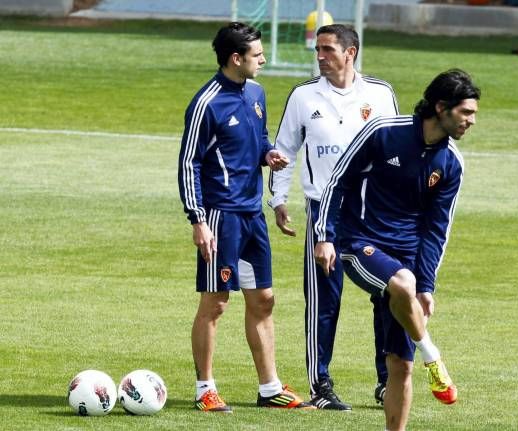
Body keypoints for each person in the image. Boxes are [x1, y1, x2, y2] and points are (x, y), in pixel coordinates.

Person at [314, 69, 481, 430]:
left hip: (405, 259)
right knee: (402, 282)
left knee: (399, 367)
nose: (471, 121)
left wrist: (428, 287)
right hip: (359, 244)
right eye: (466, 112)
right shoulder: (383, 133)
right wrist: (324, 235)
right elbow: (338, 181)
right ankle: (433, 357)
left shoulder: (451, 163)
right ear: (441, 107)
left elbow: (437, 230)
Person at [177, 22, 313, 413]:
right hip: (221, 216)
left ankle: (270, 388)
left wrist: (267, 154)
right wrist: (198, 221)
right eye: (257, 54)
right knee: (216, 302)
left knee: (264, 300)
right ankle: (205, 389)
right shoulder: (206, 103)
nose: (264, 59)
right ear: (236, 59)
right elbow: (189, 164)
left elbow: (257, 137)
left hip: (252, 213)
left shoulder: (255, 92)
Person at [268, 24, 397, 410]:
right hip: (324, 212)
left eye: (327, 49)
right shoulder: (304, 96)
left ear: (350, 52)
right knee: (324, 299)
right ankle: (319, 385)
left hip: (372, 212)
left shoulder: (380, 93)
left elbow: (394, 150)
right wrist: (277, 200)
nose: (320, 56)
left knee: (388, 294)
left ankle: (386, 381)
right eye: (318, 50)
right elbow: (284, 150)